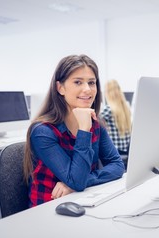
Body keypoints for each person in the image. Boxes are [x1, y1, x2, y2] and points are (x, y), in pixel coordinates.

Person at [23, 54, 125, 207]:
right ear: (60, 88)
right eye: (78, 82)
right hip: (49, 208)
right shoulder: (43, 132)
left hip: (85, 200)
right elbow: (77, 181)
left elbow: (117, 166)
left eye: (92, 83)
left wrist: (83, 180)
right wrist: (84, 129)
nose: (87, 89)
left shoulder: (97, 126)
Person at [99, 79, 132, 168]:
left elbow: (95, 120)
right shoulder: (126, 108)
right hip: (126, 152)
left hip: (114, 152)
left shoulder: (108, 109)